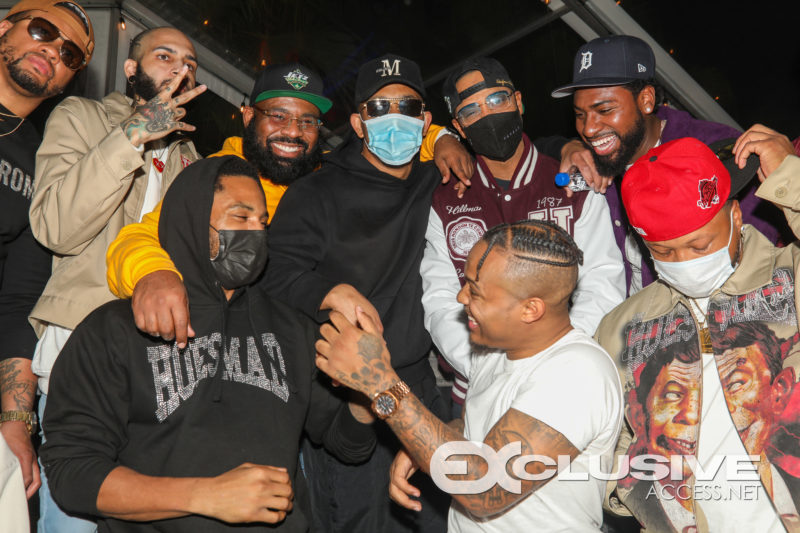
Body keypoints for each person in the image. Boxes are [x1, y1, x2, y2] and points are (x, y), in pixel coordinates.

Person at [38, 156, 376, 532]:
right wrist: (204, 496)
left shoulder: (293, 329)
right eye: (240, 217)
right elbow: (74, 474)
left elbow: (348, 445)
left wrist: (365, 391)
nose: (256, 233)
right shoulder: (115, 329)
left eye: (262, 223)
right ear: (193, 221)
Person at [104, 61, 473, 349]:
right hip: (212, 344)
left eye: (307, 121)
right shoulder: (216, 177)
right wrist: (153, 275)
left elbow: (390, 142)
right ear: (249, 117)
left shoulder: (325, 176)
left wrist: (441, 138)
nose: (293, 132)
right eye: (278, 116)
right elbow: (137, 237)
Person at [315, 219, 623, 531]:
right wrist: (421, 445)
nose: (461, 297)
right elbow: (475, 430)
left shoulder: (577, 373)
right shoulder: (493, 349)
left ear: (531, 309)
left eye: (475, 291)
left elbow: (485, 489)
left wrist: (379, 380)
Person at [262, 53, 455, 532]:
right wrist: (331, 291)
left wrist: (571, 153)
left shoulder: (437, 181)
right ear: (357, 123)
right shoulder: (316, 191)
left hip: (418, 386)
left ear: (425, 121)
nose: (395, 118)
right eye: (379, 108)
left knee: (439, 518)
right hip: (343, 396)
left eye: (408, 107)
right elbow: (271, 272)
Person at [27, 25, 205, 531]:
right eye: (164, 56)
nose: (180, 68)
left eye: (190, 63)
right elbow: (56, 227)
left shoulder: (191, 159)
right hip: (81, 348)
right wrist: (132, 134)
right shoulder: (81, 117)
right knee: (76, 517)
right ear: (131, 69)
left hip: (162, 363)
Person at [596, 137, 800, 532]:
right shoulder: (624, 326)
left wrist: (790, 179)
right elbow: (608, 437)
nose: (685, 262)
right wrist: (633, 496)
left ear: (736, 216)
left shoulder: (790, 275)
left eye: (699, 245)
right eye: (664, 253)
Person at [421, 57, 625, 409]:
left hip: (567, 380)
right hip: (478, 389)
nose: (488, 115)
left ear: (518, 101)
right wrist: (492, 369)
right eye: (471, 110)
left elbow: (603, 281)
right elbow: (440, 299)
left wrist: (549, 360)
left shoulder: (573, 185)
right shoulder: (445, 199)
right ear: (459, 127)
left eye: (496, 100)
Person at [550, 35, 789, 295]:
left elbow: (757, 257)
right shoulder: (602, 157)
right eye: (580, 115)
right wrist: (563, 147)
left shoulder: (715, 153)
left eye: (605, 110)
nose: (588, 128)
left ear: (646, 100)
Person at [0, 0, 93, 512]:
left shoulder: (41, 165)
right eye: (42, 31)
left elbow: (19, 303)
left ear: (66, 82)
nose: (54, 50)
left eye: (70, 54)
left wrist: (17, 423)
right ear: (3, 28)